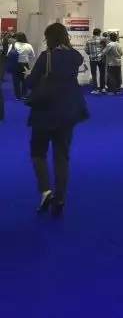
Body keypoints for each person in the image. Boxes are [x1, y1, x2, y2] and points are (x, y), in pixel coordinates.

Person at [25, 22, 89, 215]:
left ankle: (46, 190)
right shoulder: (75, 56)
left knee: (38, 152)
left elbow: (31, 82)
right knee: (62, 156)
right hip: (68, 112)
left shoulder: (46, 57)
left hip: (44, 112)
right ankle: (60, 197)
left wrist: (28, 75)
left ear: (49, 38)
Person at [9, 32, 35, 101]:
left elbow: (8, 54)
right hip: (25, 65)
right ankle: (24, 95)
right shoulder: (28, 45)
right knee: (25, 80)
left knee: (15, 81)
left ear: (16, 37)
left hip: (15, 65)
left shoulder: (13, 45)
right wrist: (26, 57)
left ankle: (17, 96)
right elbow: (33, 55)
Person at [85, 28, 106, 94]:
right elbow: (106, 48)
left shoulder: (88, 40)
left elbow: (86, 50)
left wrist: (90, 54)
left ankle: (95, 89)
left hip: (92, 59)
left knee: (94, 74)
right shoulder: (103, 39)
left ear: (93, 33)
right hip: (101, 58)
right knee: (102, 74)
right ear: (99, 33)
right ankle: (103, 88)